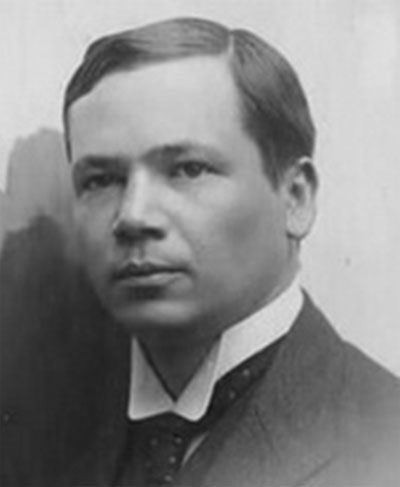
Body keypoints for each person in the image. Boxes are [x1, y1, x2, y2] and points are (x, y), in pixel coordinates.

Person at [2, 17, 400, 487]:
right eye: (101, 180)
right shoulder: (33, 433)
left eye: (188, 169)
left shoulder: (383, 436)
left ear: (296, 198)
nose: (132, 216)